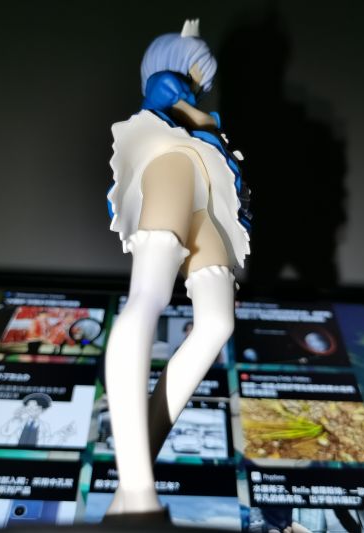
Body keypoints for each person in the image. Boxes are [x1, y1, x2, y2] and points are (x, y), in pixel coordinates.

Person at [105, 19, 250, 516]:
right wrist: (205, 116)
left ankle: (130, 489)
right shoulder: (167, 85)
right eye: (199, 66)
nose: (204, 77)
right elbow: (182, 109)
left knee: (217, 322)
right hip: (172, 159)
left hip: (207, 186)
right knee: (148, 293)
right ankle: (138, 492)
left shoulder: (191, 100)